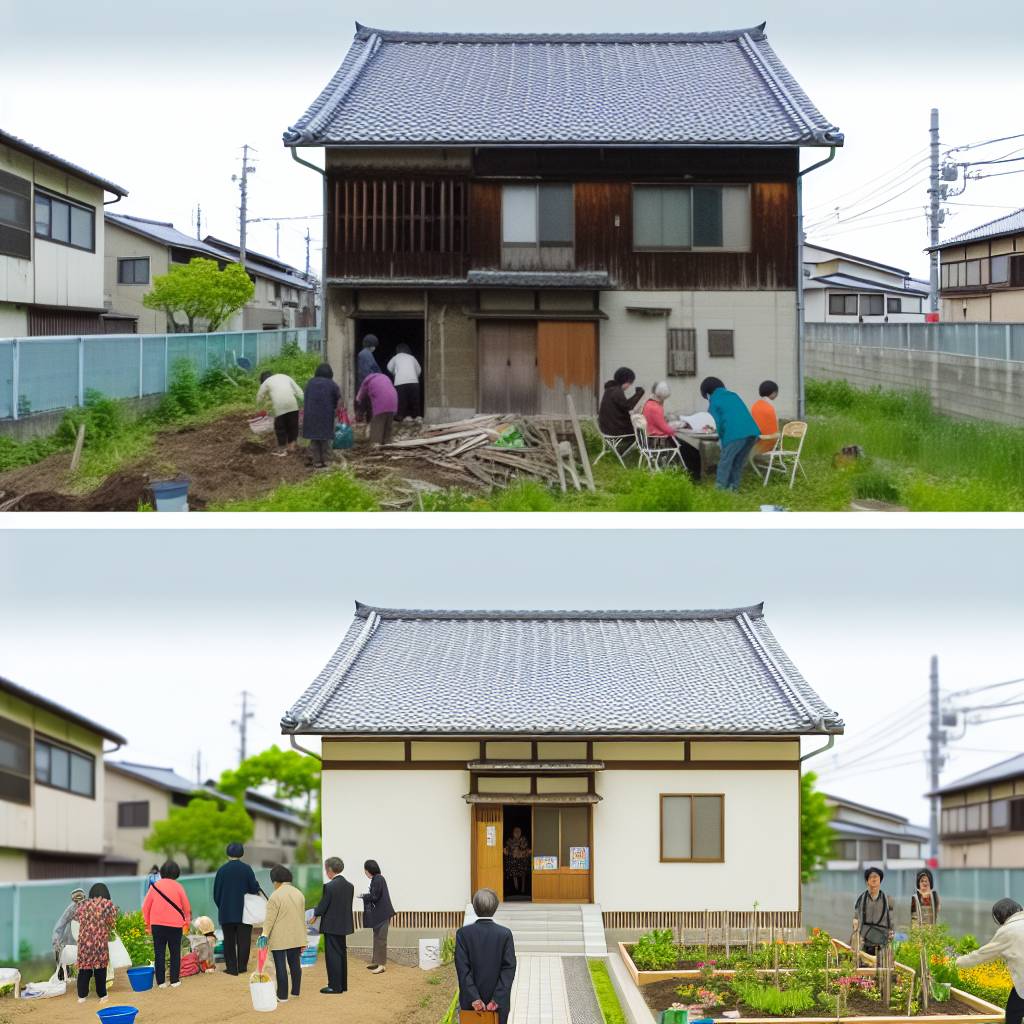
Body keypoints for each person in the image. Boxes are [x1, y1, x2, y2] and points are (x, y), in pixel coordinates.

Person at [956, 898, 1024, 1024]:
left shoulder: (1007, 931)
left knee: (1013, 1016)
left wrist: (958, 962)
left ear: (1001, 916)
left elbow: (982, 955)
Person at [455, 888, 517, 1024]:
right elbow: (509, 968)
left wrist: (474, 998)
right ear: (495, 907)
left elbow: (462, 970)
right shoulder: (505, 934)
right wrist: (497, 998)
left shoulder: (463, 934)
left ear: (475, 906)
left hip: (471, 1004)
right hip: (497, 1005)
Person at [699, 376, 761, 491]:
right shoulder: (734, 395)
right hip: (752, 433)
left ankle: (720, 488)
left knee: (725, 461)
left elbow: (715, 423)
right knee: (738, 461)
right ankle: (733, 487)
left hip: (735, 434)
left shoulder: (714, 401)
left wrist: (715, 434)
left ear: (707, 394)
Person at [213, 842, 261, 976]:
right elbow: (254, 889)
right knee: (244, 940)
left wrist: (222, 906)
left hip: (226, 911)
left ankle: (232, 968)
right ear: (241, 854)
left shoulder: (221, 870)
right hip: (245, 912)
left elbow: (216, 893)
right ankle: (242, 967)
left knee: (228, 941)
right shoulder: (247, 869)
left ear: (228, 854)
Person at [143, 859, 192, 989]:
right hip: (175, 925)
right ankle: (175, 980)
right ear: (177, 873)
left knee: (159, 953)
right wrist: (186, 922)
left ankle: (161, 982)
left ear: (162, 872)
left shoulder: (154, 886)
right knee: (175, 952)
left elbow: (145, 907)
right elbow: (186, 907)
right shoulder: (179, 887)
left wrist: (147, 924)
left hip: (157, 925)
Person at [262, 865, 307, 1004]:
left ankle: (282, 996)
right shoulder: (299, 893)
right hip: (296, 934)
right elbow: (301, 916)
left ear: (276, 880)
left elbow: (269, 920)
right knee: (295, 964)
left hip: (279, 936)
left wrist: (264, 934)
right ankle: (295, 991)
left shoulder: (275, 896)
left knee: (280, 965)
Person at [310, 856, 355, 995]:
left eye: (325, 870)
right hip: (344, 925)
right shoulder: (350, 886)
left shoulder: (329, 887)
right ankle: (342, 985)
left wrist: (315, 914)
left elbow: (324, 906)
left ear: (330, 870)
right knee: (341, 954)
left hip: (331, 925)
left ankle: (334, 986)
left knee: (332, 956)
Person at [642, 381, 702, 479]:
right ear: (661, 397)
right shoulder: (656, 408)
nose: (664, 401)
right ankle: (694, 477)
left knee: (688, 450)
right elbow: (666, 429)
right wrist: (676, 426)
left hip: (651, 439)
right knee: (693, 452)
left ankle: (690, 474)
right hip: (660, 441)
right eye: (664, 399)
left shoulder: (648, 404)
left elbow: (657, 423)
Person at [74, 883, 117, 1005]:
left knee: (84, 970)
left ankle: (82, 996)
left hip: (84, 943)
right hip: (99, 944)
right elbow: (112, 922)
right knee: (100, 970)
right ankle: (102, 995)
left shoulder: (82, 905)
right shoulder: (108, 905)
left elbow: (77, 918)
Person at [256, 370, 304, 457]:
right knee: (293, 425)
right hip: (292, 405)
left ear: (262, 380)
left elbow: (260, 396)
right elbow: (299, 391)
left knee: (280, 427)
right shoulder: (285, 376)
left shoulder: (266, 382)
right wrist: (304, 401)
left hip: (280, 406)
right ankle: (292, 446)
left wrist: (258, 408)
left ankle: (282, 449)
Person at [303, 363, 342, 468]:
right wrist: (337, 411)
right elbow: (338, 399)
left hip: (310, 415)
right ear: (330, 374)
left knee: (314, 439)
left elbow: (306, 398)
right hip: (326, 415)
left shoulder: (309, 383)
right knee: (325, 439)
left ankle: (317, 461)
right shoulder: (332, 384)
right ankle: (327, 461)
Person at [359, 859, 395, 975]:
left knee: (381, 939)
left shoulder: (378, 878)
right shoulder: (376, 879)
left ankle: (382, 965)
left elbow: (375, 896)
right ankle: (377, 962)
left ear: (369, 870)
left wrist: (363, 896)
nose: (365, 872)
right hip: (379, 914)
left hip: (383, 913)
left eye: (365, 870)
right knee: (376, 937)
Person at [852, 866, 893, 958]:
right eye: (871, 877)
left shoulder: (887, 899)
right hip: (865, 940)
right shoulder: (862, 898)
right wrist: (856, 932)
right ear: (867, 882)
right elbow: (856, 917)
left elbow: (891, 918)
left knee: (881, 966)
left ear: (880, 880)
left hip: (882, 940)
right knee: (865, 964)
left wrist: (891, 932)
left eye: (876, 877)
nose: (874, 879)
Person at [598, 367, 645, 443]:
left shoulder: (610, 390)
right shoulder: (616, 391)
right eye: (629, 383)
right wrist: (639, 394)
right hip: (615, 432)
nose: (629, 386)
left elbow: (623, 406)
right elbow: (628, 406)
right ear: (625, 380)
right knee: (640, 432)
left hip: (607, 428)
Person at [355, 373, 399, 447]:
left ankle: (375, 445)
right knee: (387, 426)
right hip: (393, 401)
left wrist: (359, 413)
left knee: (377, 425)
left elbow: (359, 398)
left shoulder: (367, 381)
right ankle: (387, 442)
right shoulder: (385, 377)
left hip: (381, 403)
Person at [52, 887, 86, 979]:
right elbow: (61, 924)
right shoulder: (71, 909)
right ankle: (63, 978)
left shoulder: (89, 908)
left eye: (81, 898)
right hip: (70, 941)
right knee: (66, 964)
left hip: (84, 941)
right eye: (76, 899)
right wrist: (56, 941)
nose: (79, 901)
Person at [387, 343, 423, 422]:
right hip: (414, 382)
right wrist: (415, 376)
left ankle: (406, 416)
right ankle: (417, 416)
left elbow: (389, 367)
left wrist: (395, 373)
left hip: (400, 382)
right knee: (414, 400)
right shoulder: (412, 358)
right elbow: (419, 370)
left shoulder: (395, 358)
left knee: (403, 401)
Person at [750, 381, 781, 455]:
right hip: (770, 441)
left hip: (756, 441)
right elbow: (775, 426)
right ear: (774, 393)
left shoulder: (755, 405)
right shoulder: (770, 406)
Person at [503, 828, 531, 897]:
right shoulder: (510, 840)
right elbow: (506, 850)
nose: (517, 833)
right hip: (513, 861)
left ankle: (523, 889)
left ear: (521, 832)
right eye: (515, 832)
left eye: (519, 831)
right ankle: (515, 889)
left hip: (522, 860)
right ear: (513, 833)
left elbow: (527, 849)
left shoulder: (523, 839)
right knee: (513, 873)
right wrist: (508, 851)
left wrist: (522, 851)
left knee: (523, 874)